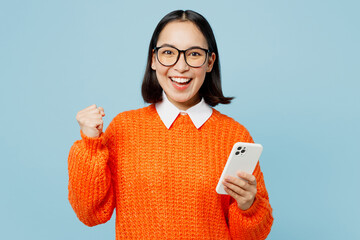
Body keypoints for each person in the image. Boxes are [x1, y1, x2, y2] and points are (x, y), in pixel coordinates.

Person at [68, 10, 273, 239]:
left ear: (209, 62)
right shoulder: (124, 127)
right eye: (168, 52)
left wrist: (248, 205)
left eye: (194, 54)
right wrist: (90, 145)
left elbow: (251, 235)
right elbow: (91, 214)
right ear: (154, 59)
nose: (181, 66)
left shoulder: (234, 135)